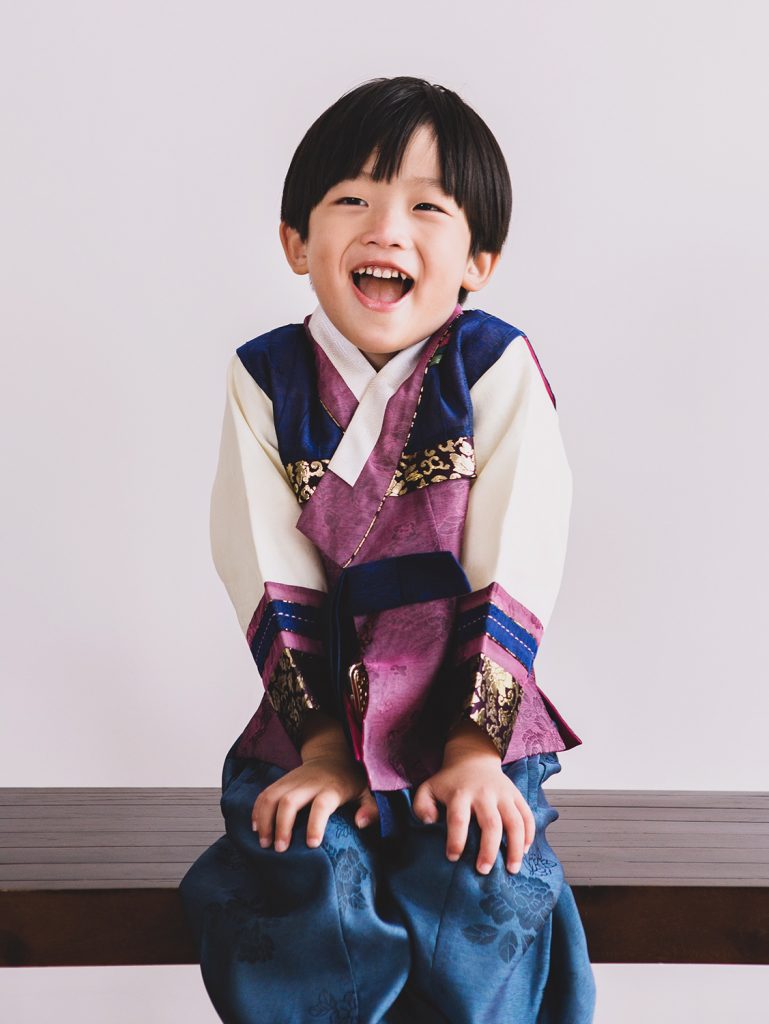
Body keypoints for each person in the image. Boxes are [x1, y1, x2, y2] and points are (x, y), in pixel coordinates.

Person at [179, 75, 597, 1024]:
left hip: (468, 706)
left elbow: (516, 554)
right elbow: (261, 563)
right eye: (352, 201)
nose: (386, 229)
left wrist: (473, 748)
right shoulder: (266, 380)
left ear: (477, 259)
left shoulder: (492, 366)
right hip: (320, 698)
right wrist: (322, 746)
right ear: (297, 241)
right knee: (303, 867)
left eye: (425, 209)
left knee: (478, 876)